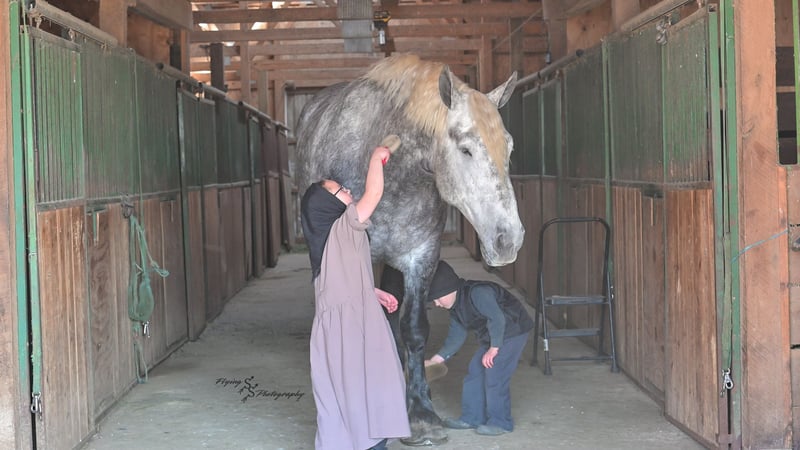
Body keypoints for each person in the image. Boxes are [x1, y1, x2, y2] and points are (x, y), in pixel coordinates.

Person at [300, 143, 410, 450]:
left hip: (340, 329)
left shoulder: (329, 242)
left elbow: (339, 280)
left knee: (342, 398)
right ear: (325, 203)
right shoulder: (343, 226)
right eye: (341, 190)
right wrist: (377, 157)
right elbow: (373, 195)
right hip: (352, 330)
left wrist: (371, 292)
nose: (348, 191)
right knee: (369, 390)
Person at [423, 260, 534, 436]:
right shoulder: (455, 307)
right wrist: (436, 360)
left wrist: (494, 348)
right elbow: (456, 336)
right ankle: (472, 418)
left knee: (495, 373)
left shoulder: (478, 293)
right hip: (493, 335)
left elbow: (497, 319)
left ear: (449, 289)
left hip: (513, 330)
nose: (437, 304)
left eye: (437, 298)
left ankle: (501, 422)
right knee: (475, 371)